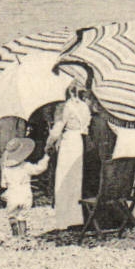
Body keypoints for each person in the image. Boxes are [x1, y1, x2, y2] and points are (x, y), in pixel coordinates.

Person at [46, 84, 92, 230]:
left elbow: (57, 130)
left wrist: (49, 144)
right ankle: (76, 216)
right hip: (80, 141)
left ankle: (64, 217)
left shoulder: (65, 106)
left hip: (68, 142)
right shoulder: (84, 106)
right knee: (76, 178)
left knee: (64, 178)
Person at [0, 137, 41, 237]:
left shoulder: (6, 169)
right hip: (25, 193)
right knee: (23, 216)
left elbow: (3, 185)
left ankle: (15, 233)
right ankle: (23, 234)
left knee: (12, 215)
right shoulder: (27, 166)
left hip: (12, 194)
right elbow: (38, 170)